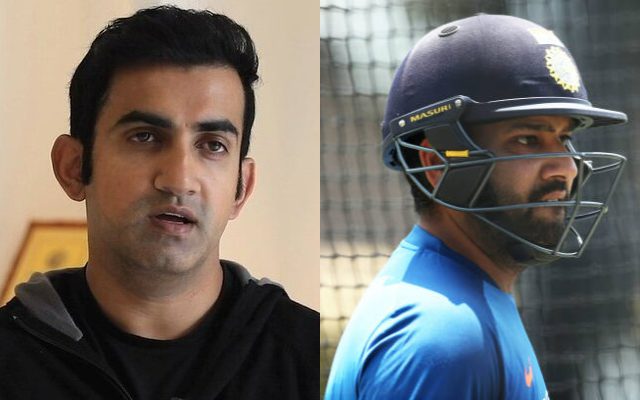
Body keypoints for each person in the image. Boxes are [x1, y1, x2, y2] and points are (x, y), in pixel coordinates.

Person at [0, 6, 318, 399]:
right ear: (74, 167)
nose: (179, 180)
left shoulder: (310, 360)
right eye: (145, 137)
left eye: (213, 145)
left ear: (242, 187)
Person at [325, 14, 627, 400]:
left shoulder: (463, 301)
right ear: (437, 165)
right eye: (527, 139)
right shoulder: (444, 336)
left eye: (564, 138)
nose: (566, 168)